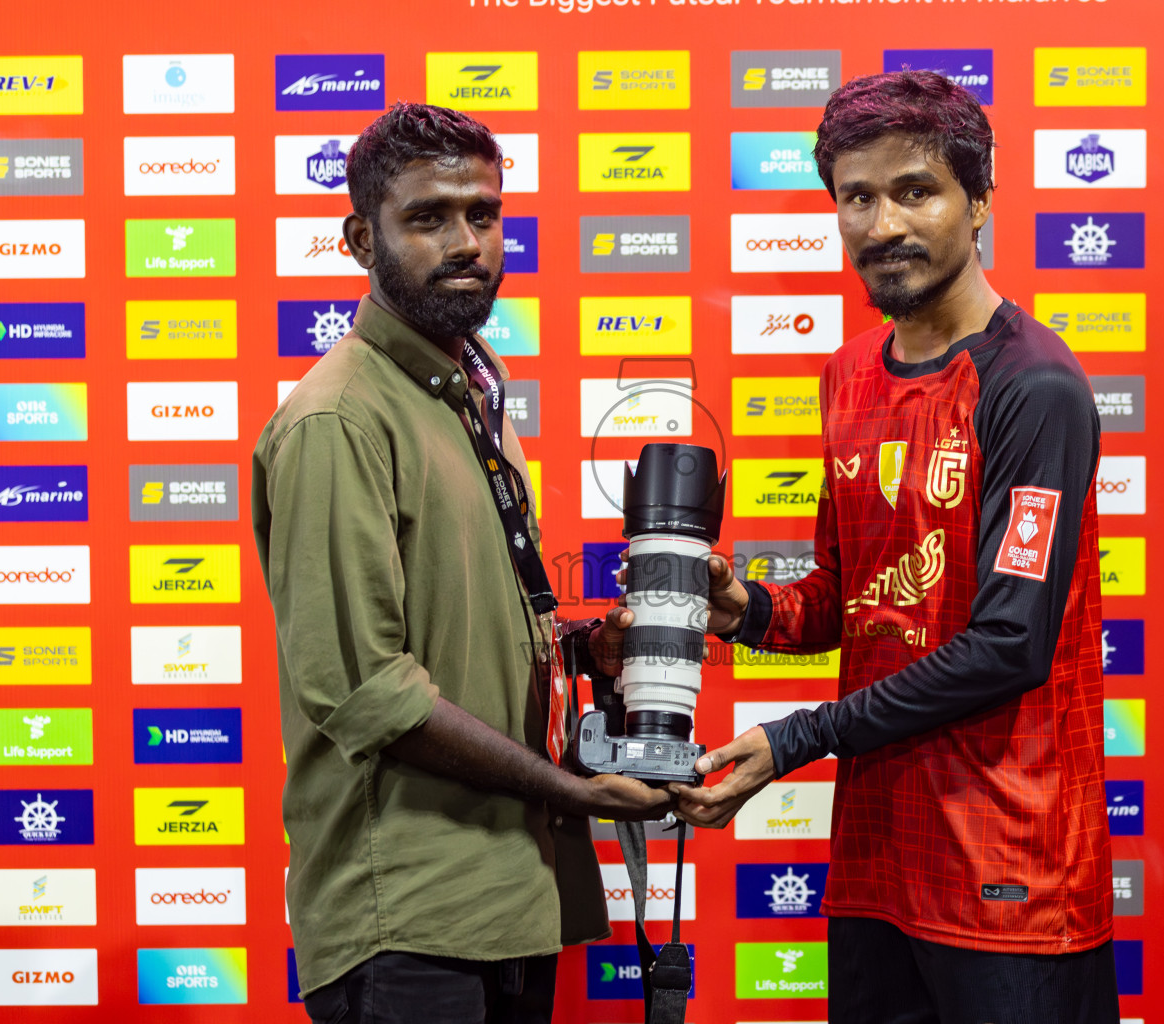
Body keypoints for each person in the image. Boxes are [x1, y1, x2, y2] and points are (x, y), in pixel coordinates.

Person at [667, 70, 1118, 1023]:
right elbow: (850, 599)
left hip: (1013, 877)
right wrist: (743, 608)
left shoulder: (1036, 387)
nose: (881, 225)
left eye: (915, 190)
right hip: (879, 865)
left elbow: (1010, 644)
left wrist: (795, 739)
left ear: (981, 199)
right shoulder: (847, 376)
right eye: (856, 198)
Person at [251, 102, 673, 1024]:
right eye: (428, 217)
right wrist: (567, 788)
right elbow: (368, 689)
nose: (466, 241)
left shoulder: (468, 393)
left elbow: (457, 626)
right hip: (406, 919)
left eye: (482, 215)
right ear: (361, 236)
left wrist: (578, 647)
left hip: (511, 898)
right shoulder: (338, 420)